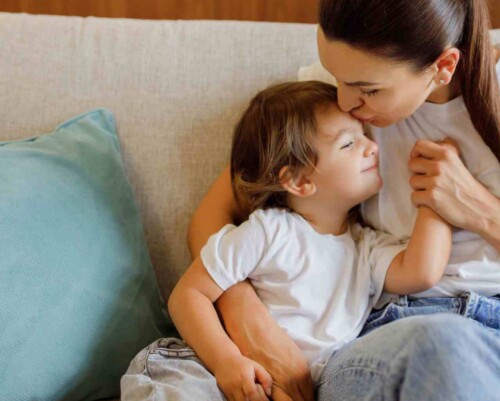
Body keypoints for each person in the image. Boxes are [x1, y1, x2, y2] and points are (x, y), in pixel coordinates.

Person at [189, 0, 500, 400]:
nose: (346, 101)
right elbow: (216, 215)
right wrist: (245, 313)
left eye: (369, 90)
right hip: (388, 339)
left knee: (459, 360)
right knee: (442, 348)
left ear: (442, 67)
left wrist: (484, 213)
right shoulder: (335, 111)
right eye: (337, 76)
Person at [121, 81, 456, 401]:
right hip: (214, 367)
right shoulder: (269, 231)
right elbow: (188, 295)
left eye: (365, 136)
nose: (373, 147)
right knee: (174, 381)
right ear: (298, 180)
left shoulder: (364, 248)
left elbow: (421, 271)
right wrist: (226, 362)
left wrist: (436, 194)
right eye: (349, 143)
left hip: (298, 388)